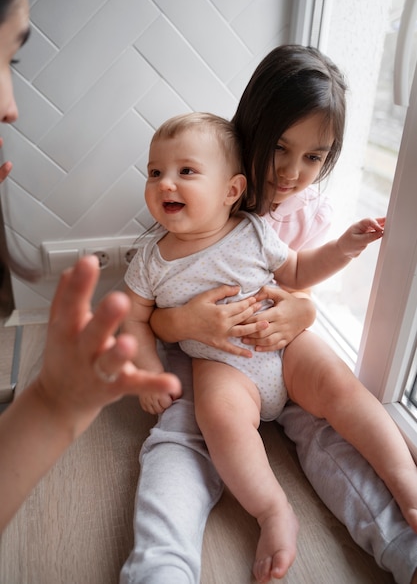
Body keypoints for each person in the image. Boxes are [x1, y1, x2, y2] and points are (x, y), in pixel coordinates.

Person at [120, 46, 417, 584]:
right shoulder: (190, 212)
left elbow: (296, 271)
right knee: (212, 427)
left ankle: (407, 485)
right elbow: (142, 319)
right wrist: (173, 337)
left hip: (283, 345)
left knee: (344, 397)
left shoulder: (265, 226)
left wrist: (328, 274)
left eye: (314, 158)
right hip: (218, 362)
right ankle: (269, 511)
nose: (292, 173)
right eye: (280, 148)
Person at [0, 0, 181, 534]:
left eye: (13, 60)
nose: (10, 105)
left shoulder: (252, 233)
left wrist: (55, 402)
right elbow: (144, 318)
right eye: (154, 172)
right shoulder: (151, 255)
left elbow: (291, 271)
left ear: (233, 191)